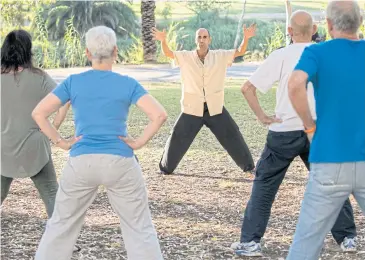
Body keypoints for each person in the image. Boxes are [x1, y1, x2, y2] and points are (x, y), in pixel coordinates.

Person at [32, 26, 167, 260]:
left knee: (60, 225)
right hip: (120, 162)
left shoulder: (73, 82)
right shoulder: (127, 83)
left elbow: (39, 113)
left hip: (82, 162)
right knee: (139, 227)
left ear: (87, 52)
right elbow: (159, 115)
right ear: (116, 51)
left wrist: (61, 142)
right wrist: (138, 143)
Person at [230, 10, 357, 257]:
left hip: (284, 131)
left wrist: (263, 116)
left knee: (265, 186)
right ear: (314, 30)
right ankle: (348, 238)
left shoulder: (280, 56)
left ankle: (250, 242)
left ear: (289, 31)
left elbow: (247, 89)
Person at [286, 1, 365, 259]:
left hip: (329, 159)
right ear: (360, 22)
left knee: (306, 243)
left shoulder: (317, 52)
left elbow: (296, 83)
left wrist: (309, 125)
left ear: (329, 26)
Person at [152, 25, 256, 175]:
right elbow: (168, 53)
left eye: (204, 37)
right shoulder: (186, 56)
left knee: (232, 133)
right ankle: (166, 168)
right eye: (199, 37)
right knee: (178, 136)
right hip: (192, 107)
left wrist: (246, 38)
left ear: (209, 39)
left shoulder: (219, 56)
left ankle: (249, 166)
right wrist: (163, 40)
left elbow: (240, 52)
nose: (202, 40)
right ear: (195, 40)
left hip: (214, 106)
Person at [1, 29, 70, 218]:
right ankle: (64, 243)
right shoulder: (39, 77)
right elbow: (65, 101)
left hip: (3, 148)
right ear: (28, 50)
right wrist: (52, 128)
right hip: (34, 146)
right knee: (50, 193)